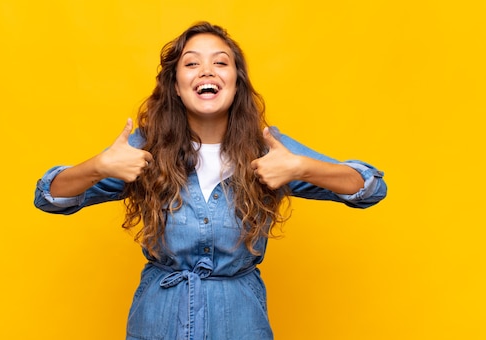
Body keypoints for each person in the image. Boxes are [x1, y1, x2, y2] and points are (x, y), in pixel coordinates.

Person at [34, 21, 387, 340]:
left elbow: (369, 187)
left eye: (220, 62)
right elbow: (49, 196)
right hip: (158, 322)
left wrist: (301, 168)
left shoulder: (268, 147)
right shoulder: (146, 147)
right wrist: (98, 166)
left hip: (240, 323)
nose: (207, 71)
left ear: (237, 81)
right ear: (175, 85)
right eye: (191, 63)